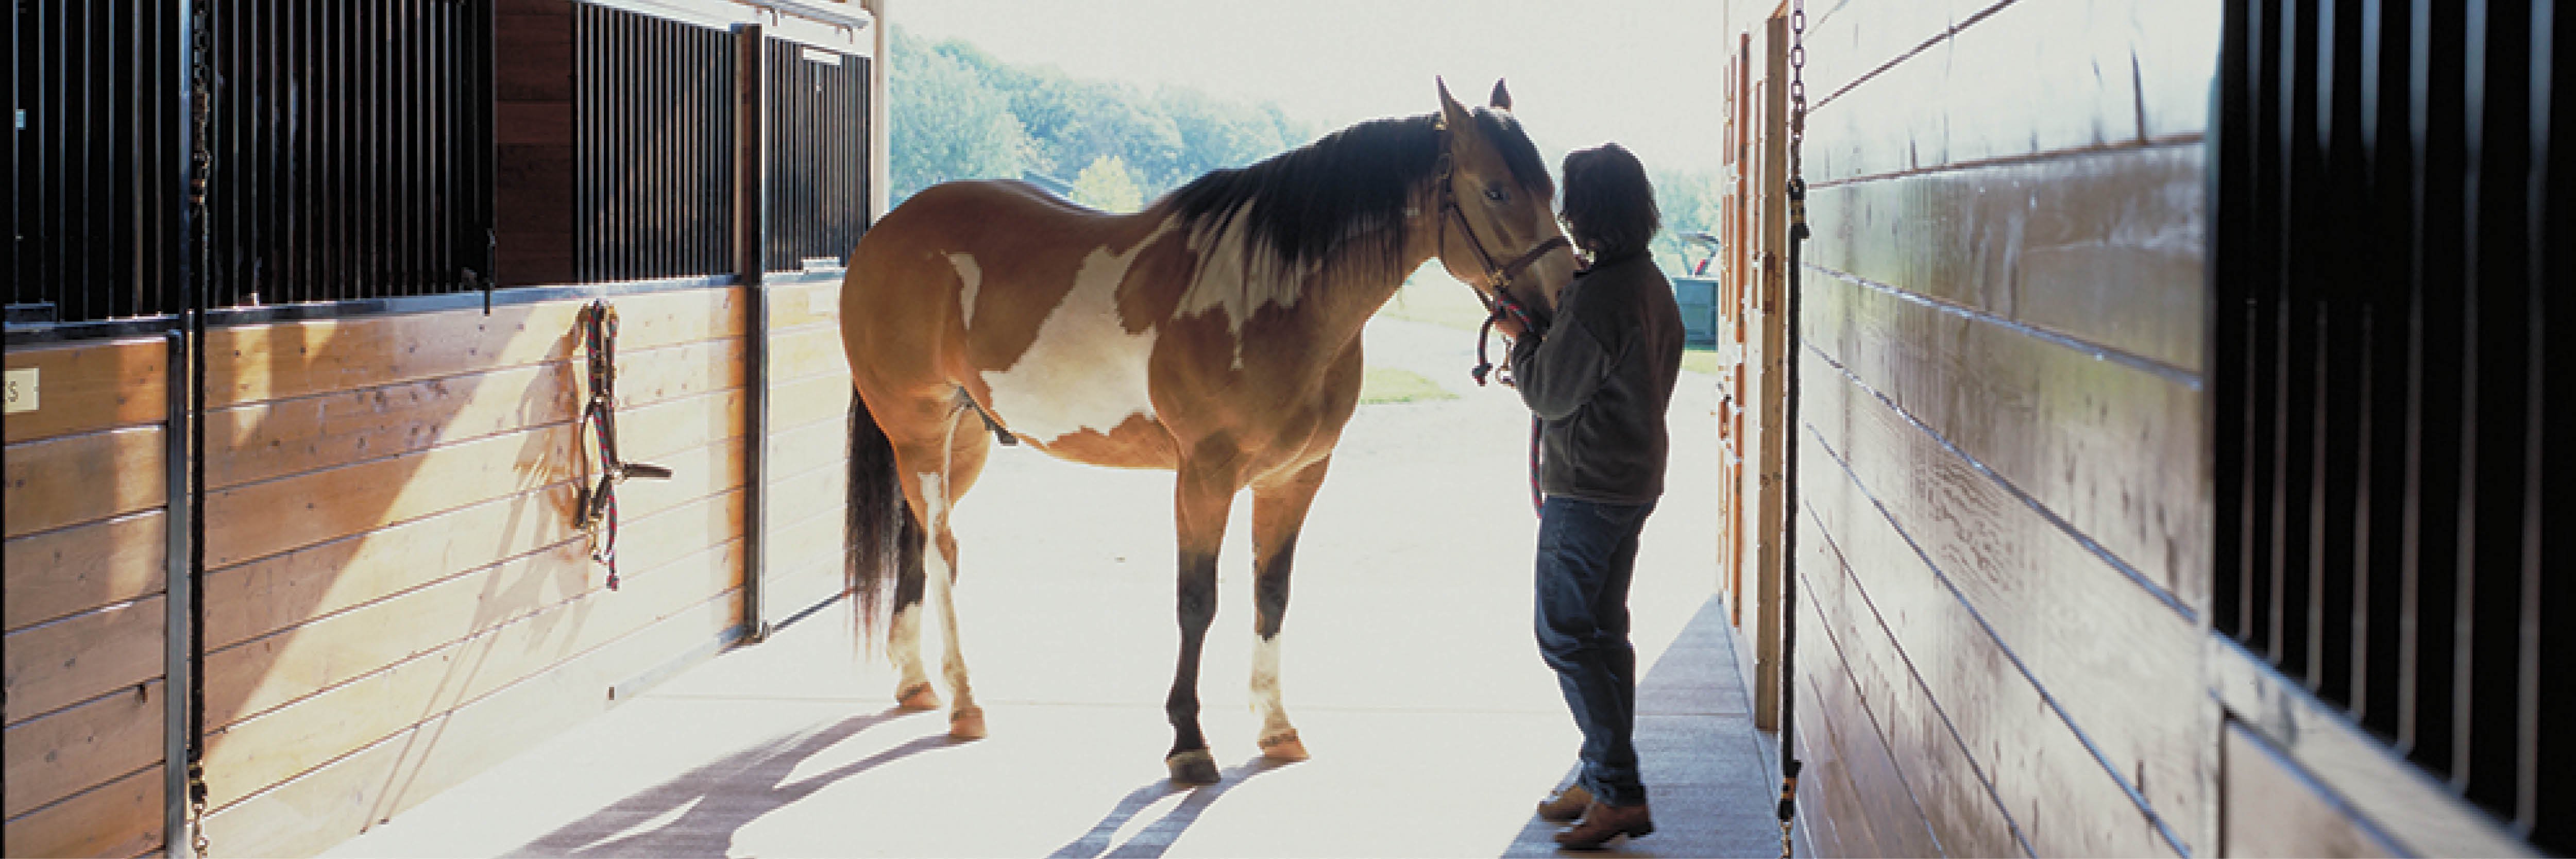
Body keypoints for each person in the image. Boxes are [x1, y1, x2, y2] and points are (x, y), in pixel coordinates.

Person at [1505, 143, 1684, 850]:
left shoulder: (1598, 295)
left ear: (1587, 210)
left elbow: (1548, 391)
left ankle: (1617, 790)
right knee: (1606, 634)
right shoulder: (1649, 282)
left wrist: (1523, 344)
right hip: (1633, 484)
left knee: (1563, 634)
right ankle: (1597, 769)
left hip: (1586, 490)